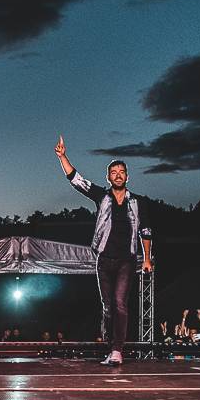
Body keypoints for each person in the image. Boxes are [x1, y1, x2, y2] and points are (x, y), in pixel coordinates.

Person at [54, 135, 153, 364]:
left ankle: (118, 349)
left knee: (120, 303)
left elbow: (145, 230)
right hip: (104, 259)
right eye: (113, 172)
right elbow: (75, 179)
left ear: (127, 176)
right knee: (108, 307)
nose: (118, 175)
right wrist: (62, 156)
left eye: (121, 172)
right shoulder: (102, 196)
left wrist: (146, 258)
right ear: (108, 177)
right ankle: (110, 345)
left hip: (127, 260)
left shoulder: (138, 202)